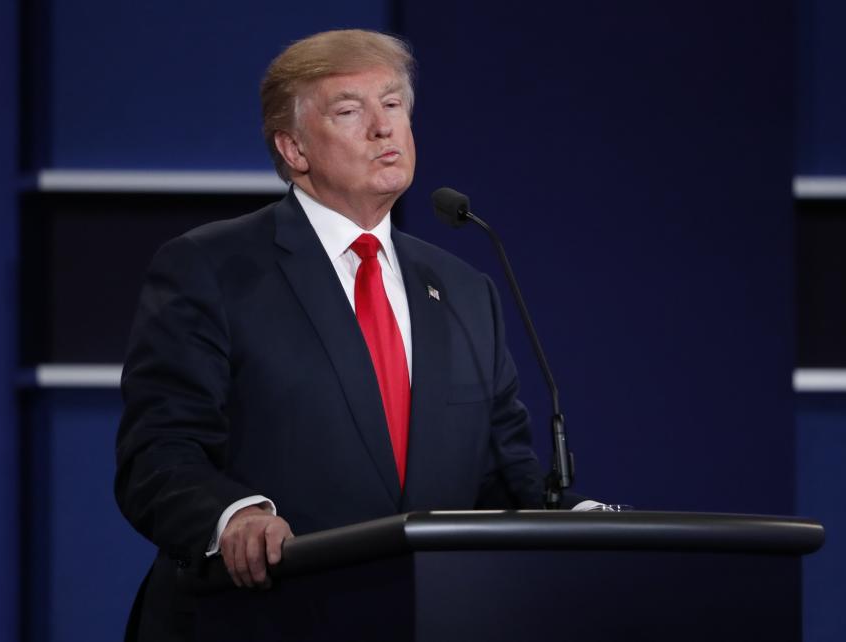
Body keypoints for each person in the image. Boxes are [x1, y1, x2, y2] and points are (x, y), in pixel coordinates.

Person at [115, 29, 548, 641]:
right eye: (350, 111)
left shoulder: (463, 287)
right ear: (293, 148)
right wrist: (233, 515)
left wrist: (570, 518)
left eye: (394, 104)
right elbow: (157, 452)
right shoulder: (211, 267)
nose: (383, 128)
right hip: (263, 619)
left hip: (427, 620)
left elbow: (504, 469)